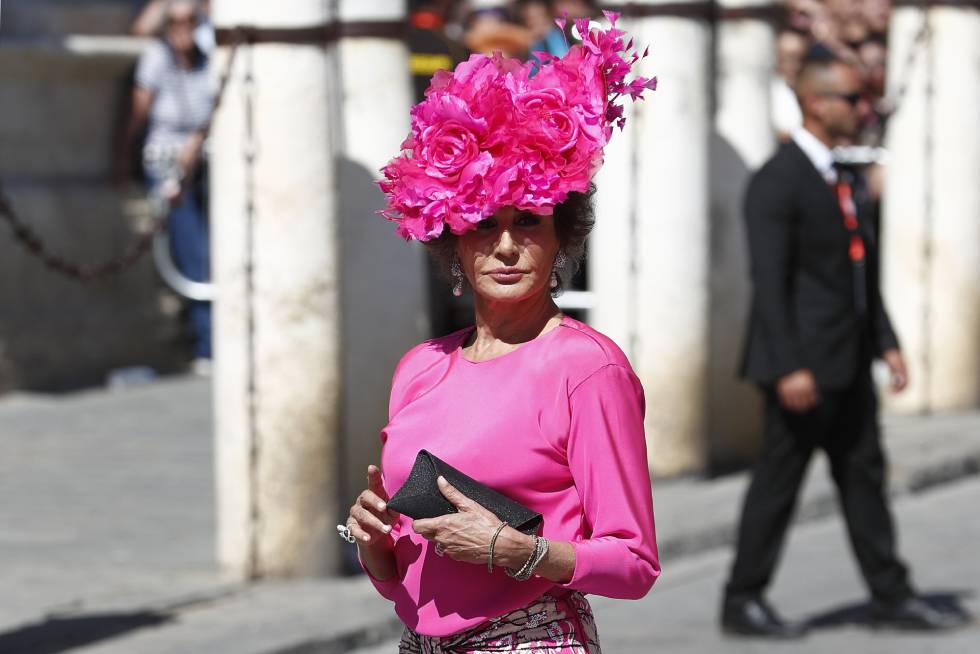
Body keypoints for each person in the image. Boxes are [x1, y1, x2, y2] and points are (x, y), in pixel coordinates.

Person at [341, 14, 659, 652]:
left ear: (561, 238)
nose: (508, 247)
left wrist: (520, 552)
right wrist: (375, 542)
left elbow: (634, 562)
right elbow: (407, 575)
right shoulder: (421, 367)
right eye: (485, 225)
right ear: (453, 240)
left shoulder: (587, 369)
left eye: (531, 223)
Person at [721, 52, 966, 637]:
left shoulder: (844, 179)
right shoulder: (777, 181)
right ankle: (743, 598)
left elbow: (861, 272)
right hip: (801, 368)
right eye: (852, 99)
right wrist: (788, 366)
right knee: (778, 486)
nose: (863, 109)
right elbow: (770, 283)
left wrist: (887, 342)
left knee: (865, 480)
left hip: (849, 362)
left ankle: (891, 592)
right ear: (816, 103)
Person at [120, 0, 214, 370]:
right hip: (167, 165)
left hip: (206, 161)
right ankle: (207, 344)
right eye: (175, 22)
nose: (183, 29)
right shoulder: (157, 59)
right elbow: (136, 116)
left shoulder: (210, 55)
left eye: (190, 21)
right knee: (194, 251)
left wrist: (198, 140)